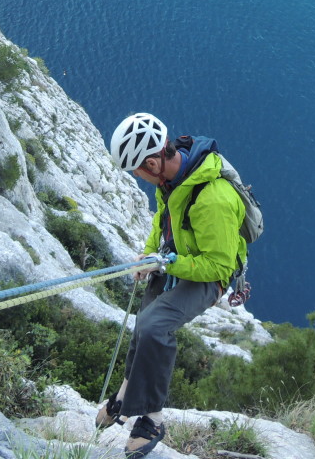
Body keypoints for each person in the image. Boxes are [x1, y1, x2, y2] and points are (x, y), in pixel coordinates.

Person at [98, 112, 248, 459]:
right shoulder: (170, 179)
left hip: (209, 276)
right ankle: (124, 394)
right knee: (144, 321)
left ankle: (152, 419)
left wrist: (170, 262)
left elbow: (218, 265)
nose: (137, 176)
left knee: (154, 328)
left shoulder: (213, 197)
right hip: (176, 258)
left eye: (137, 169)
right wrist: (149, 253)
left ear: (152, 162)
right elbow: (162, 220)